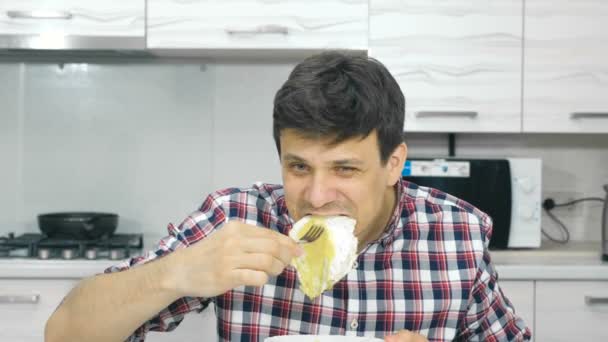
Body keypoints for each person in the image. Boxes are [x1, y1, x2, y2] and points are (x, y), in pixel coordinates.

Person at [45, 51, 531, 342]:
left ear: (393, 163)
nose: (317, 197)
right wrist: (177, 272)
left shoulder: (455, 234)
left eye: (345, 168)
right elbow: (63, 333)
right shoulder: (236, 219)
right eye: (298, 166)